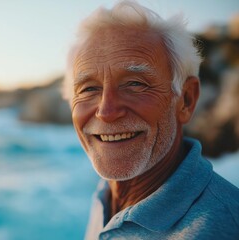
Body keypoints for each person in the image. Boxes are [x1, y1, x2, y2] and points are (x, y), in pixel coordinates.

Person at [62, 1, 239, 239]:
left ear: (185, 100)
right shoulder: (106, 197)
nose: (106, 111)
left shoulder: (223, 226)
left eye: (135, 84)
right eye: (89, 88)